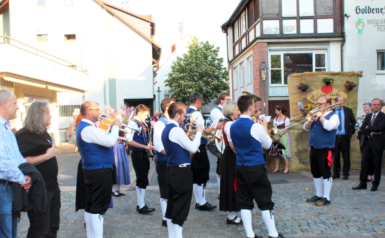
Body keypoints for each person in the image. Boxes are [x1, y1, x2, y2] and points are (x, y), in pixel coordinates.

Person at [230, 95, 284, 238]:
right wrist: (265, 127)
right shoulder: (256, 126)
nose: (254, 107)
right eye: (254, 105)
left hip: (240, 165)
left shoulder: (232, 125)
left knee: (245, 201)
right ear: (250, 108)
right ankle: (273, 234)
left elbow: (235, 145)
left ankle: (250, 235)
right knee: (264, 200)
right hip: (255, 166)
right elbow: (267, 145)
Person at [16, 101, 60, 237]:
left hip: (52, 187)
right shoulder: (24, 135)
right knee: (40, 228)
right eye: (47, 113)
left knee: (53, 226)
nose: (51, 116)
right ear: (38, 115)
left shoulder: (43, 133)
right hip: (39, 189)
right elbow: (22, 161)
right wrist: (47, 156)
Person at [76, 101, 120, 238]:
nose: (99, 111)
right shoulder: (88, 128)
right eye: (96, 109)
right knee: (98, 207)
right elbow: (110, 141)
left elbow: (103, 139)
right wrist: (116, 127)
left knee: (91, 205)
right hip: (98, 171)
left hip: (94, 169)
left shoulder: (88, 127)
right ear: (89, 111)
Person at [161, 102, 203, 238]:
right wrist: (199, 133)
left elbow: (183, 146)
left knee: (172, 206)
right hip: (181, 172)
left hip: (172, 170)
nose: (185, 117)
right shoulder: (175, 130)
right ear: (177, 115)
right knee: (180, 207)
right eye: (184, 114)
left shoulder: (167, 128)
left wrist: (190, 138)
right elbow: (192, 148)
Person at [0, 89, 32, 238]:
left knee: (11, 233)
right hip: (2, 188)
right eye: (14, 103)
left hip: (10, 186)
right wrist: (22, 179)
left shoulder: (6, 127)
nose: (17, 107)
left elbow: (17, 156)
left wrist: (27, 175)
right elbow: (2, 161)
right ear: (3, 105)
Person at [304, 96, 339, 206]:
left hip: (325, 147)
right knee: (315, 171)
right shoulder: (316, 116)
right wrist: (310, 121)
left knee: (325, 171)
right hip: (314, 147)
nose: (318, 106)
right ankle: (318, 194)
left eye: (321, 104)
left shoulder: (334, 116)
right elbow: (305, 128)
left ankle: (326, 197)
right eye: (318, 103)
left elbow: (329, 127)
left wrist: (321, 117)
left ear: (328, 105)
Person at [185, 92, 216, 211]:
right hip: (198, 146)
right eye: (201, 103)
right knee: (202, 173)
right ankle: (202, 202)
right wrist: (213, 127)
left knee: (195, 174)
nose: (201, 105)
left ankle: (198, 201)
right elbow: (201, 131)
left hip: (189, 146)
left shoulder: (186, 112)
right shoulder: (197, 114)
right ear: (199, 101)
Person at [126, 104, 156, 214]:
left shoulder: (141, 123)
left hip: (142, 153)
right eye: (145, 115)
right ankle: (141, 205)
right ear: (138, 113)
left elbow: (142, 138)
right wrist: (144, 147)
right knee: (142, 179)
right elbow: (129, 141)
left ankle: (141, 203)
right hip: (138, 154)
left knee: (142, 179)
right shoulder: (132, 123)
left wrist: (148, 145)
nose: (146, 117)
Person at [353, 98, 385, 192]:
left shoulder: (383, 116)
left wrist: (369, 128)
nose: (376, 106)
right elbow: (362, 129)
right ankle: (362, 183)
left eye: (378, 105)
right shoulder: (368, 116)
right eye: (374, 104)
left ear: (381, 106)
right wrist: (372, 130)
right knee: (364, 163)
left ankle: (375, 184)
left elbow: (380, 127)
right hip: (367, 142)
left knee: (376, 164)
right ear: (372, 106)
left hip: (377, 143)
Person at [219, 101, 242, 225]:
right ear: (233, 110)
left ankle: (233, 214)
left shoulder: (228, 123)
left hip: (230, 154)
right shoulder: (229, 124)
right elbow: (232, 145)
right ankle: (231, 215)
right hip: (231, 155)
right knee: (232, 183)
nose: (238, 111)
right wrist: (241, 153)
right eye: (237, 109)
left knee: (232, 182)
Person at [154, 98, 176, 227]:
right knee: (165, 190)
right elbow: (158, 145)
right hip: (164, 161)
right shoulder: (160, 123)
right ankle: (165, 217)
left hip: (170, 161)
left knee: (171, 189)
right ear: (167, 108)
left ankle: (169, 214)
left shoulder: (170, 122)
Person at [210, 92, 230, 199]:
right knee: (221, 167)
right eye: (227, 99)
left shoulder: (227, 110)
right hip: (221, 141)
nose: (229, 101)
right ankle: (220, 191)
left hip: (227, 139)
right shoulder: (216, 111)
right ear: (221, 100)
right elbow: (217, 124)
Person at [332, 96, 356, 180]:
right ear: (336, 102)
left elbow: (353, 122)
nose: (343, 101)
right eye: (341, 100)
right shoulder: (332, 111)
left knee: (346, 156)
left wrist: (351, 132)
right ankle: (336, 173)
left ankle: (346, 173)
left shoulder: (348, 110)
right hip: (334, 137)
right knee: (335, 156)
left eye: (343, 100)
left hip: (344, 137)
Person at [355, 102, 374, 181]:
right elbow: (357, 126)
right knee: (365, 157)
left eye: (366, 107)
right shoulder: (363, 117)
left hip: (372, 138)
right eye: (363, 107)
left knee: (371, 157)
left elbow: (372, 127)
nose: (364, 109)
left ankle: (370, 174)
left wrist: (365, 127)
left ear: (371, 107)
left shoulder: (374, 117)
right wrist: (365, 127)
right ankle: (365, 175)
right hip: (363, 138)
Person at [272, 106, 291, 174]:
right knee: (276, 152)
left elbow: (286, 129)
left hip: (283, 135)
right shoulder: (275, 118)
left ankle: (286, 168)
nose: (275, 112)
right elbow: (274, 128)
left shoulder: (286, 118)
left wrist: (279, 136)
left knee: (284, 151)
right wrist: (274, 136)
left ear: (280, 111)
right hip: (276, 134)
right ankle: (277, 168)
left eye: (276, 110)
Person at [111, 130, 130, 197]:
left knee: (121, 169)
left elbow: (125, 143)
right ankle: (113, 189)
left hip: (122, 149)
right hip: (116, 149)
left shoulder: (122, 133)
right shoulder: (112, 131)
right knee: (116, 169)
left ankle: (118, 189)